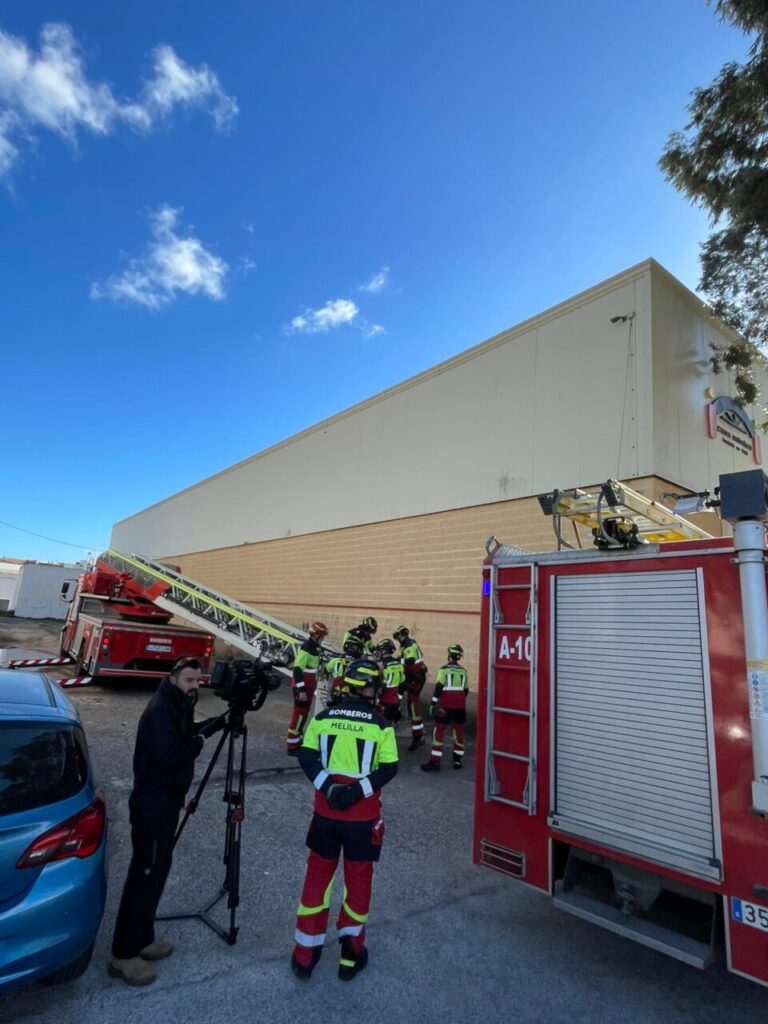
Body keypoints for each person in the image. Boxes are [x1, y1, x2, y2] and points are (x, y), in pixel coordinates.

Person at [109, 656, 226, 986]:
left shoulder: (178, 703)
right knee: (144, 876)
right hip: (152, 806)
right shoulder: (161, 709)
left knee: (157, 871)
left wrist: (216, 724)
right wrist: (200, 742)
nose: (194, 686)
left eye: (198, 681)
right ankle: (123, 955)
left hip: (167, 803)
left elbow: (188, 731)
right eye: (189, 680)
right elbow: (170, 754)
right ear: (172, 678)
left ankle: (143, 938)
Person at [290, 658, 398, 981]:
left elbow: (306, 756)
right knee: (358, 883)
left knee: (316, 881)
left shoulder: (322, 719)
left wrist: (329, 787)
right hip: (362, 822)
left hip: (325, 816)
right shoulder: (382, 726)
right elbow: (389, 768)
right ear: (367, 688)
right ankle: (350, 957)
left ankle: (304, 957)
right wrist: (356, 792)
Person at [422, 644, 469, 772]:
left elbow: (438, 688)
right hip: (460, 708)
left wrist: (433, 704)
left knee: (438, 732)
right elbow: (466, 690)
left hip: (445, 707)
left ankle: (435, 762)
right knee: (458, 733)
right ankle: (457, 761)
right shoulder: (464, 671)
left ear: (449, 656)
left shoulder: (443, 670)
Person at [287, 621, 328, 755]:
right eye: (322, 637)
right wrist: (301, 689)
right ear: (316, 635)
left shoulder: (314, 648)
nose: (323, 639)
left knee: (304, 714)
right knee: (299, 713)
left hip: (309, 686)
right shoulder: (306, 648)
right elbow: (298, 669)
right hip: (303, 687)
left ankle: (297, 739)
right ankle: (292, 746)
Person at [393, 625, 428, 751]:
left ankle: (418, 737)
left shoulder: (408, 646)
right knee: (408, 703)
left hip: (415, 678)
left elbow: (410, 661)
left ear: (403, 635)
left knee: (413, 706)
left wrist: (396, 661)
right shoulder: (410, 644)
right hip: (413, 676)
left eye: (398, 637)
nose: (398, 639)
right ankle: (417, 733)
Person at [375, 638, 405, 726]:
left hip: (383, 702)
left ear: (384, 650)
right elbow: (402, 685)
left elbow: (380, 687)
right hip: (394, 703)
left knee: (379, 727)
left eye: (380, 650)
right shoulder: (399, 665)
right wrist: (398, 701)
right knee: (389, 727)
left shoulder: (381, 666)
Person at [325, 635, 364, 704]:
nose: (360, 651)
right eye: (359, 648)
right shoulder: (359, 664)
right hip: (349, 700)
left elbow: (326, 671)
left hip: (333, 697)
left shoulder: (335, 661)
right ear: (354, 647)